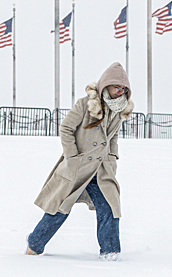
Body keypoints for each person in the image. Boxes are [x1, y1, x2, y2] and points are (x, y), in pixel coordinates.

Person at [26, 62, 134, 261]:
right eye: (117, 87)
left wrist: (112, 158)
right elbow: (66, 128)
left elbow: (113, 138)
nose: (120, 92)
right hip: (78, 168)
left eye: (123, 88)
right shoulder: (85, 104)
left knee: (109, 207)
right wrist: (72, 157)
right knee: (59, 209)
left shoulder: (119, 110)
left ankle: (110, 253)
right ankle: (34, 244)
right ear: (106, 86)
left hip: (101, 171)